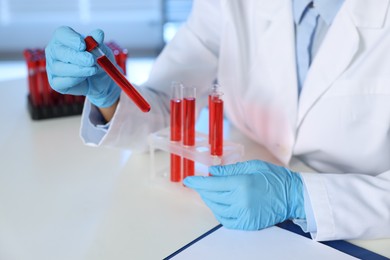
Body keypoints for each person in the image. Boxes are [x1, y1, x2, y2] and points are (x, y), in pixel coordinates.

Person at [45, 0, 390, 241]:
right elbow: (167, 105)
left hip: (363, 226)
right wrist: (111, 97)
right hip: (233, 219)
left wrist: (302, 197)